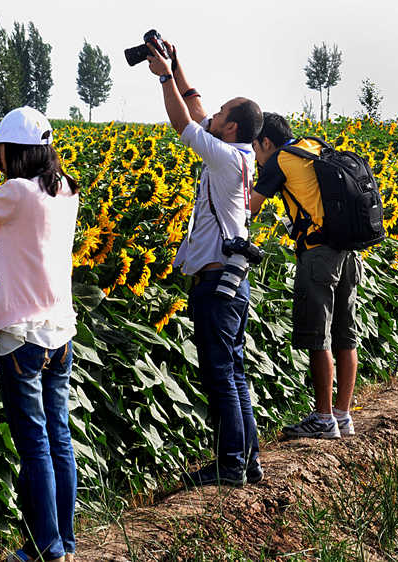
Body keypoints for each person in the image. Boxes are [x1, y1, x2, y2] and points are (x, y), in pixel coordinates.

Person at [0, 106, 79, 562]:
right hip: (60, 332)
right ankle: (63, 540)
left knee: (35, 444)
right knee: (59, 437)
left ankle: (44, 548)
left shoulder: (16, 193)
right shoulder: (67, 190)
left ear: (14, 151)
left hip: (22, 337)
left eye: (0, 148)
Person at [145, 40, 263, 486]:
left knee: (220, 375)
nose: (210, 114)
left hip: (216, 284)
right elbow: (198, 113)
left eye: (220, 115)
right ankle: (247, 460)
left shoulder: (226, 157)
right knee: (233, 371)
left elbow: (185, 123)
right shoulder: (241, 154)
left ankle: (231, 463)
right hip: (232, 280)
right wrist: (176, 66)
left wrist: (162, 79)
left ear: (230, 128)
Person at [249, 112, 361, 439]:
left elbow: (252, 207)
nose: (255, 154)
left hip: (318, 255)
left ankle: (324, 418)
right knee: (345, 332)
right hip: (347, 249)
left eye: (255, 147)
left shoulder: (279, 160)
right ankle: (343, 414)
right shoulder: (313, 145)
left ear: (266, 141)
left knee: (318, 337)